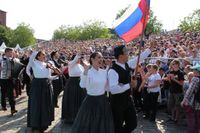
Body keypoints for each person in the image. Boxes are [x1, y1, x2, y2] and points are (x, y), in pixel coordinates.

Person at [108, 44, 153, 133]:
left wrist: (149, 49)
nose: (128, 54)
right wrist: (129, 85)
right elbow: (113, 89)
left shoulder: (127, 65)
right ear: (121, 56)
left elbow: (138, 59)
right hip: (117, 102)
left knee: (132, 123)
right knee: (117, 125)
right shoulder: (112, 70)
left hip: (128, 100)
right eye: (126, 52)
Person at [71, 52, 114, 133]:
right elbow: (82, 85)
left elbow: (107, 87)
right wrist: (86, 70)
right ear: (92, 59)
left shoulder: (104, 72)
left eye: (101, 57)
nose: (101, 59)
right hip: (91, 101)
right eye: (98, 57)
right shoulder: (88, 72)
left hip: (102, 101)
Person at [26, 51, 60, 132]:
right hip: (37, 85)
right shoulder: (34, 63)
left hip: (46, 85)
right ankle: (35, 124)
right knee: (36, 104)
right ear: (38, 57)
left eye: (45, 55)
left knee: (45, 105)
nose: (45, 56)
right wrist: (37, 50)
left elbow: (48, 77)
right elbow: (31, 59)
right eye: (43, 55)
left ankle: (44, 123)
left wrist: (56, 75)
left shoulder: (47, 64)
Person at [62, 53, 86, 124]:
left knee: (80, 99)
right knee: (72, 100)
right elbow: (73, 62)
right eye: (78, 59)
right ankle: (70, 117)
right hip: (72, 84)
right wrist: (78, 55)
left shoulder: (80, 66)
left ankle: (79, 116)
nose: (79, 60)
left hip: (80, 83)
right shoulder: (71, 64)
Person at [181, 64, 200, 133]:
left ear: (197, 71)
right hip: (198, 103)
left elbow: (189, 91)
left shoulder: (195, 79)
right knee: (198, 118)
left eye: (194, 69)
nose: (193, 71)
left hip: (193, 102)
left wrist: (184, 100)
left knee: (191, 118)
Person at [0, 48, 17, 115]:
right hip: (2, 79)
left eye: (12, 52)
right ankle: (3, 106)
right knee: (3, 93)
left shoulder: (12, 60)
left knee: (11, 94)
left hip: (10, 79)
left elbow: (15, 68)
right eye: (10, 52)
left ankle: (13, 109)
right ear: (6, 52)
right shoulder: (1, 59)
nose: (11, 54)